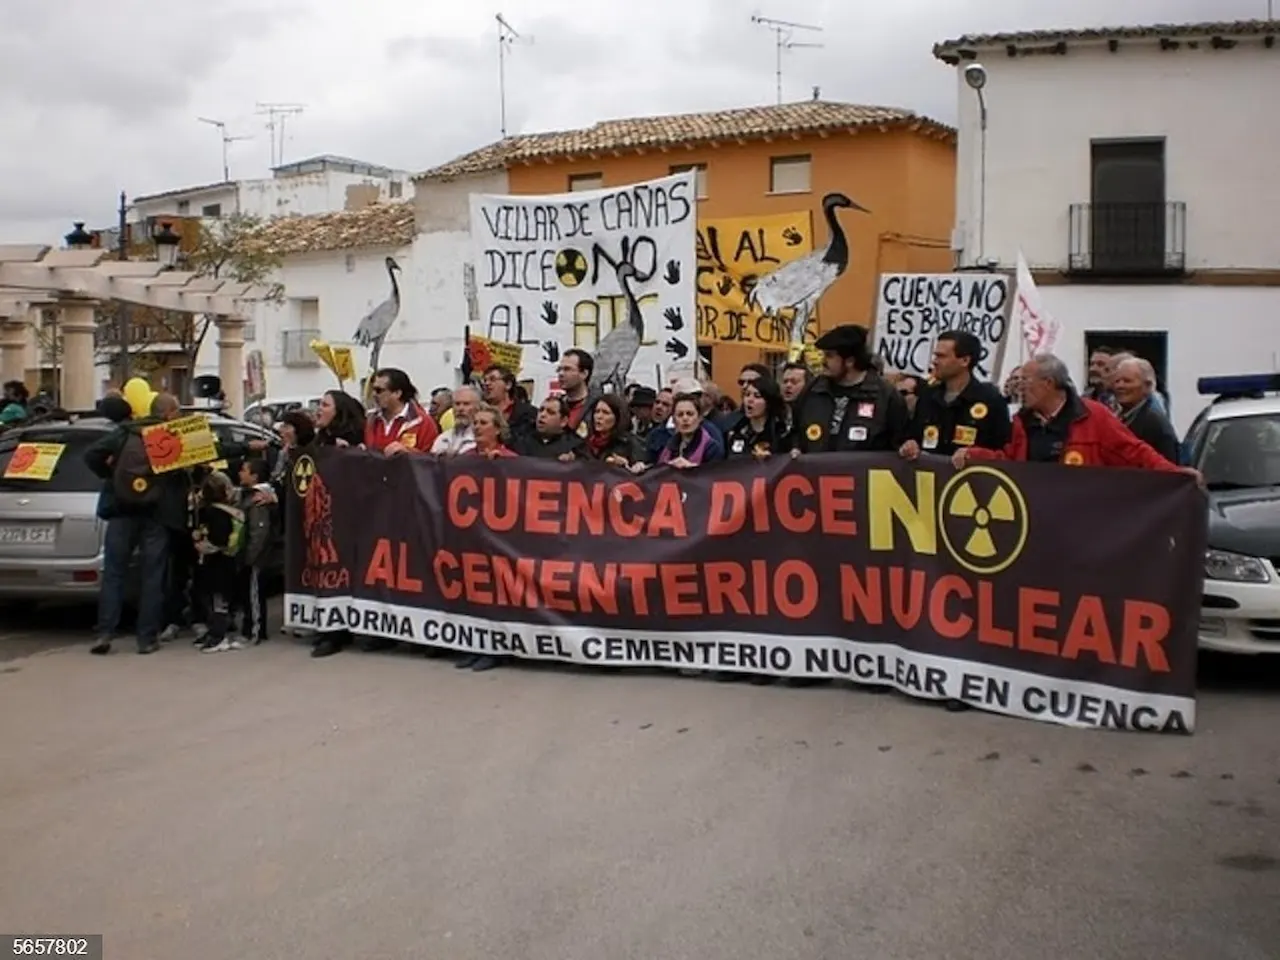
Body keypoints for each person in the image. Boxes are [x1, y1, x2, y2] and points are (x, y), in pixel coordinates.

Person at [955, 353, 1196, 476]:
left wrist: (1176, 474)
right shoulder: (1022, 422)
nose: (1020, 387)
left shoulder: (1095, 416)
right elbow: (1010, 460)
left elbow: (1133, 452)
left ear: (1048, 383)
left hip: (1081, 525)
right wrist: (975, 455)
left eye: (1026, 381)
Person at [84, 392, 186, 656]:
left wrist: (111, 474)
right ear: (169, 413)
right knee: (152, 576)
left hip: (122, 509)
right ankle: (146, 638)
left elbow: (92, 454)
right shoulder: (170, 435)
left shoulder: (124, 432)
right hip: (156, 513)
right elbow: (212, 451)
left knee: (115, 573)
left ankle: (105, 633)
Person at [307, 392, 369, 659]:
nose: (318, 409)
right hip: (318, 516)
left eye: (324, 405)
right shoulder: (318, 439)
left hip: (345, 518)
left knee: (341, 571)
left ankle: (336, 633)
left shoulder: (353, 440)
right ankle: (325, 624)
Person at [791, 324, 909, 455]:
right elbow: (795, 432)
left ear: (850, 361)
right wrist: (795, 448)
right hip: (815, 473)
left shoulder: (886, 397)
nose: (823, 361)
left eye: (829, 356)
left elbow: (901, 442)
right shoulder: (813, 391)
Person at [900, 331, 1010, 462]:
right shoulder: (927, 396)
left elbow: (1004, 453)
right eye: (935, 356)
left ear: (964, 361)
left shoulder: (991, 401)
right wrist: (910, 445)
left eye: (941, 356)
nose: (935, 361)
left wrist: (976, 454)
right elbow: (913, 435)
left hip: (971, 480)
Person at [192, 471, 245, 653]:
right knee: (212, 599)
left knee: (219, 601)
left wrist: (205, 544)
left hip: (220, 562)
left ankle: (219, 635)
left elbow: (220, 539)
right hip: (214, 563)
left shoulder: (218, 514)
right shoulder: (209, 511)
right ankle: (214, 631)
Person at [231, 458, 274, 646]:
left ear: (254, 476)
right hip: (248, 554)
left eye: (244, 470)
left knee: (254, 594)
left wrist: (251, 556)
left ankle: (255, 632)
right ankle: (249, 628)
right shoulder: (245, 495)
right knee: (248, 594)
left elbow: (260, 531)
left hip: (256, 557)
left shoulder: (258, 499)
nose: (240, 473)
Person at [1111, 357, 1180, 464]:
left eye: (1127, 381)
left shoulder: (1154, 422)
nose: (1120, 386)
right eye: (1117, 381)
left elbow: (1168, 467)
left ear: (1147, 386)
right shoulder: (1119, 416)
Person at [365, 367, 439, 455]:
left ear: (397, 393)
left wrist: (408, 453)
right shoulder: (371, 420)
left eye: (379, 391)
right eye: (373, 390)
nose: (374, 395)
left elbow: (432, 461)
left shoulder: (422, 423)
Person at [652, 393, 724, 469]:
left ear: (699, 418)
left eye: (690, 414)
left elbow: (715, 475)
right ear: (674, 420)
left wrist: (691, 468)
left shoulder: (711, 448)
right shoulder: (668, 447)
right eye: (680, 414)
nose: (685, 418)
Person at [724, 376, 790, 459]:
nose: (750, 400)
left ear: (769, 402)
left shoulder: (781, 433)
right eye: (747, 395)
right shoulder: (736, 430)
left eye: (757, 396)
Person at [581, 394, 645, 468]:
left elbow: (642, 471)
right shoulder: (585, 443)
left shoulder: (629, 444)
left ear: (618, 417)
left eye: (605, 412)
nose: (599, 416)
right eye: (597, 411)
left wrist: (626, 466)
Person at [524, 396, 584, 460]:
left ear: (563, 421)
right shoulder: (522, 439)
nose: (542, 415)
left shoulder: (575, 446)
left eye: (550, 412)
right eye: (541, 410)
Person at [555, 348, 599, 433]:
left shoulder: (597, 408)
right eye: (559, 369)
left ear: (584, 374)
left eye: (567, 369)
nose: (561, 374)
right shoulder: (556, 405)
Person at [430, 384, 479, 456]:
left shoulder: (481, 439)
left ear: (477, 408)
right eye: (457, 404)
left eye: (466, 404)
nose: (460, 409)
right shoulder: (442, 439)